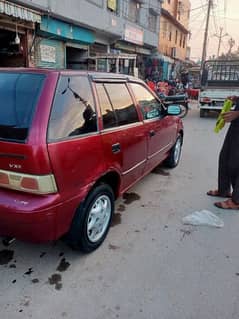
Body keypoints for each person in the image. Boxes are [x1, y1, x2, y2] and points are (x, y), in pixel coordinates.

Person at [207, 96, 239, 209]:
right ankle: (223, 190)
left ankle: (236, 201)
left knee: (235, 163)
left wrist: (237, 113)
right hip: (236, 125)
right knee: (224, 157)